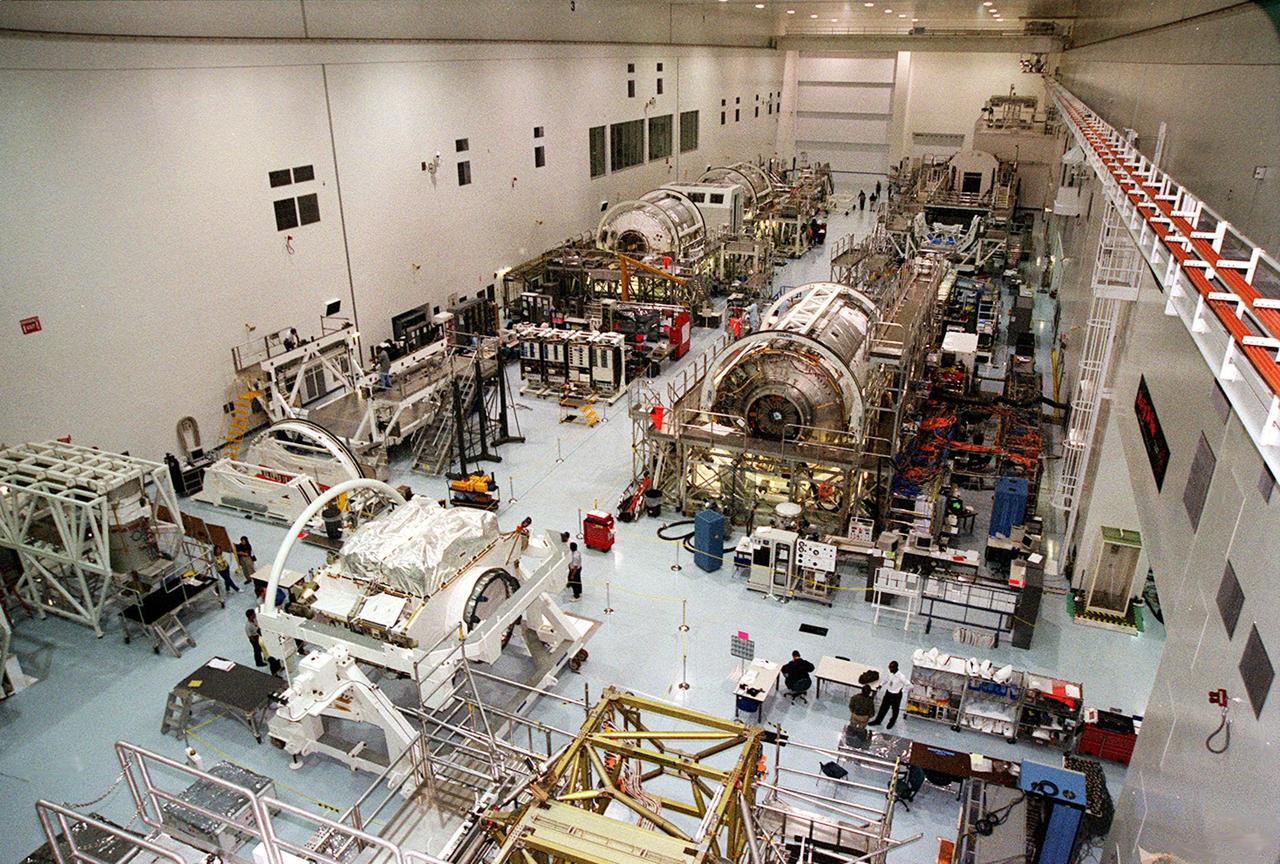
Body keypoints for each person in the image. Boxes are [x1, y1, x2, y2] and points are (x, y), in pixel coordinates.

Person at [869, 660, 910, 729]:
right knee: (883, 708)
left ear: (896, 668)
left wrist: (902, 690)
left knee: (895, 710)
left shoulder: (901, 676)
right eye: (889, 667)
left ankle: (892, 722)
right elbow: (886, 679)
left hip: (896, 695)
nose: (889, 669)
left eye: (891, 668)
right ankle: (878, 721)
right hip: (888, 693)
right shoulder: (890, 673)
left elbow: (909, 685)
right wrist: (881, 685)